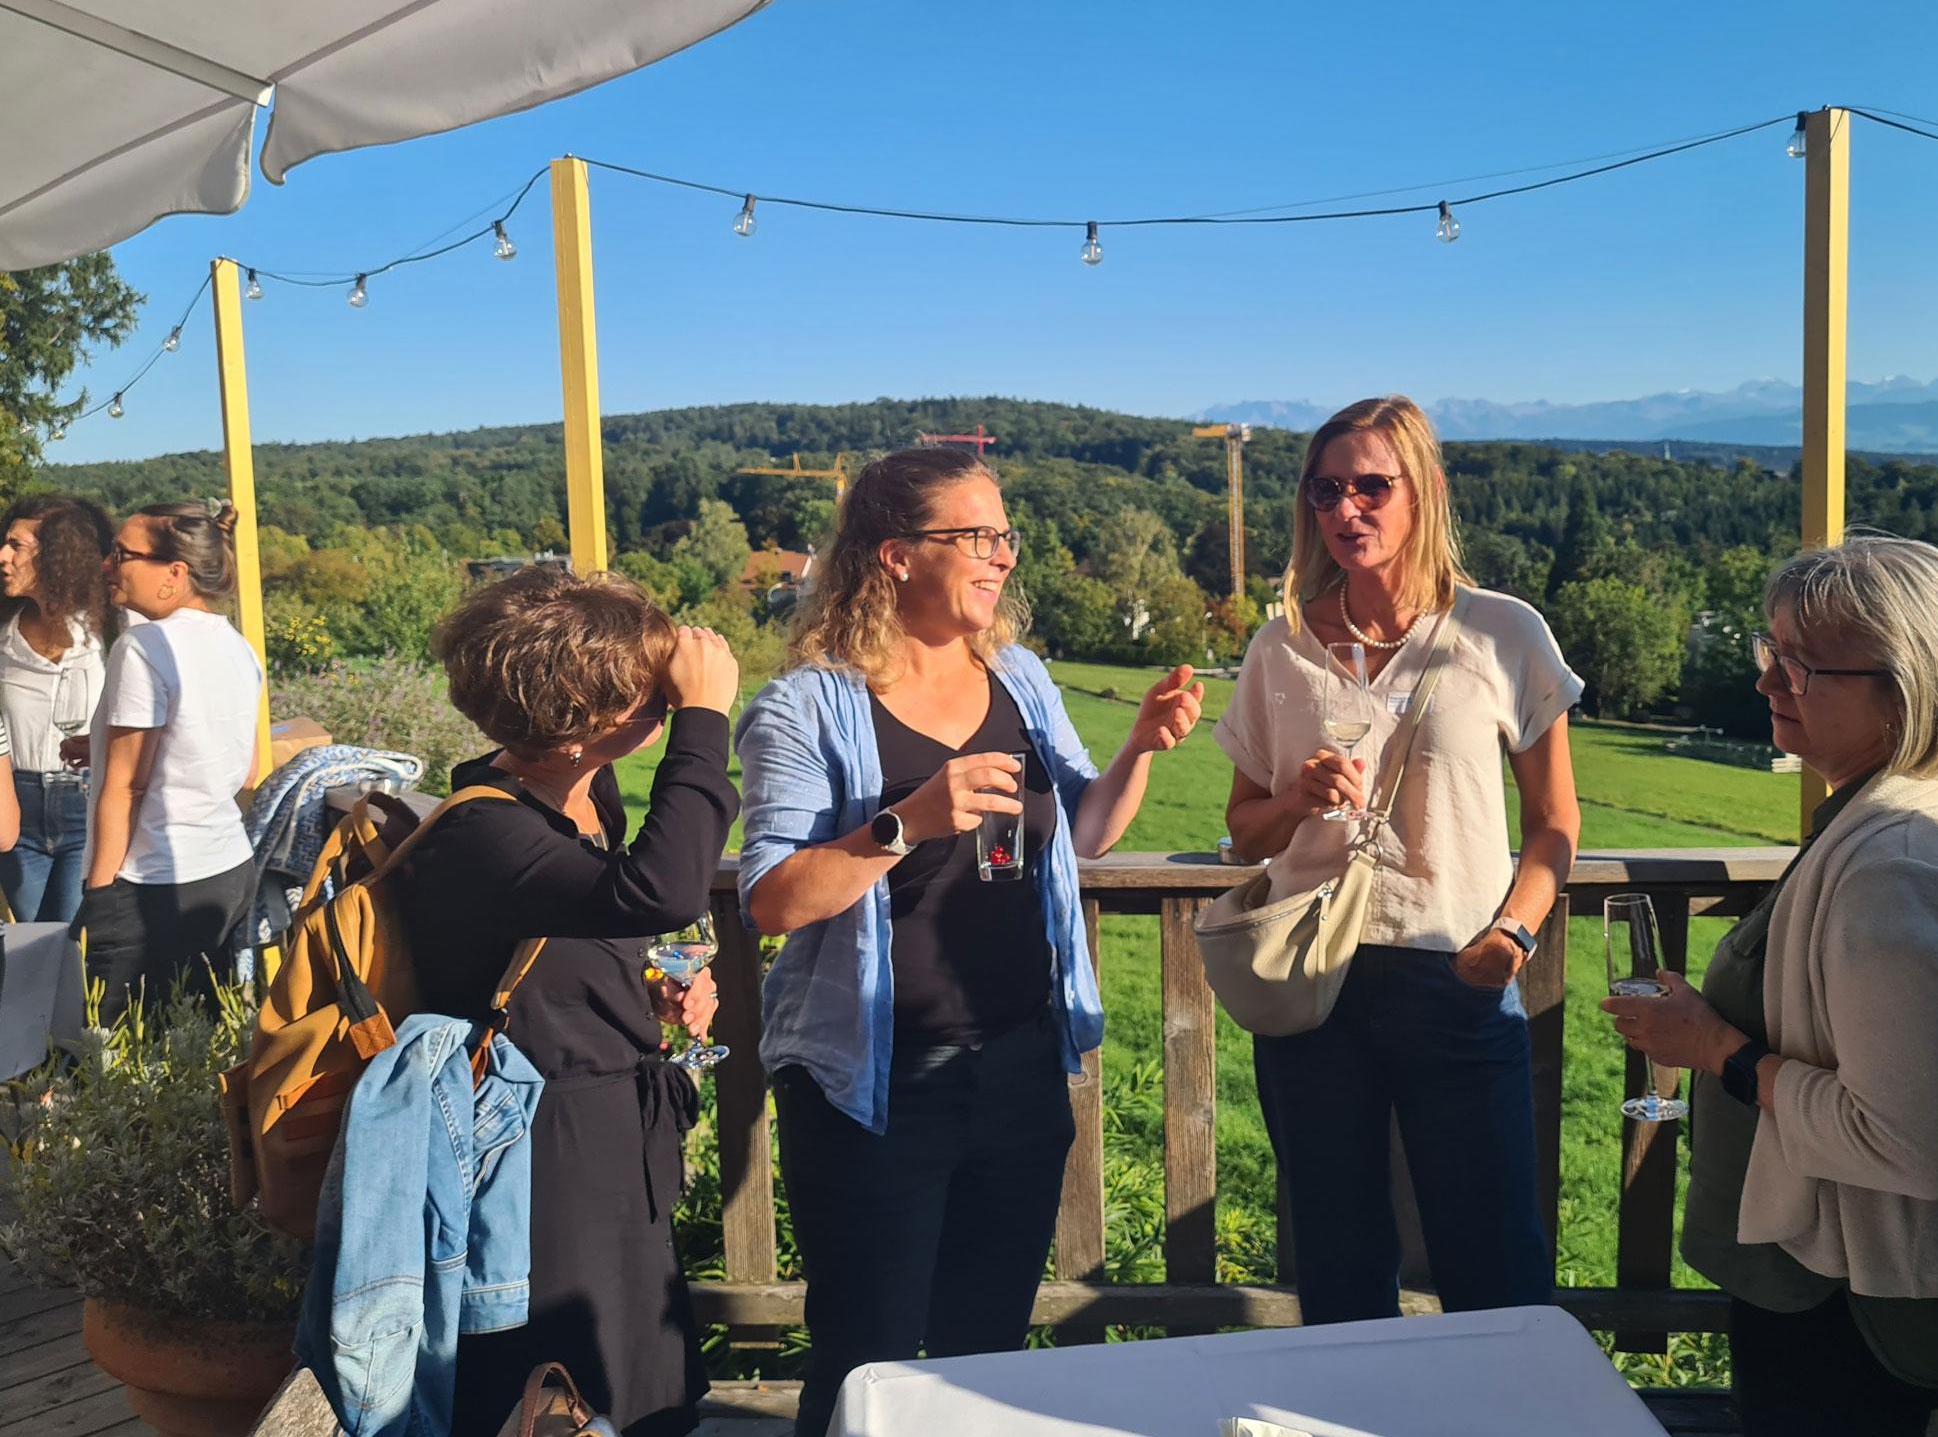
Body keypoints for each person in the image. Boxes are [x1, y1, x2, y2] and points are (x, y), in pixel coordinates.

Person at [736, 445, 1203, 1437]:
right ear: (897, 554)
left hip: (1020, 1068)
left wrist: (1141, 752)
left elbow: (1077, 833)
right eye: (977, 536)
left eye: (1005, 536)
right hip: (877, 1090)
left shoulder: (1020, 679)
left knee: (983, 1356)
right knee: (866, 1357)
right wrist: (905, 819)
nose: (1002, 557)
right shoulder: (807, 706)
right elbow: (773, 898)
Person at [1604, 536, 1938, 1437]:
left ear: (1909, 687)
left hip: (1851, 1303)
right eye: (1770, 654)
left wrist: (1715, 1052)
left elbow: (1905, 1145)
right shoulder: (1937, 813)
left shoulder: (1900, 866)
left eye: (1801, 668)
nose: (1769, 684)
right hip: (1880, 1285)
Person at [1216, 395, 1582, 1322]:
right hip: (1313, 984)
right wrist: (1296, 799)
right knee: (1337, 1258)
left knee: (1494, 1254)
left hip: (1455, 971)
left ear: (1424, 493)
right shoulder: (1283, 646)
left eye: (1373, 486)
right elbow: (1244, 831)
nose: (1347, 510)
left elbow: (1554, 823)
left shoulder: (1502, 635)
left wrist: (1512, 936)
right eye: (1326, 489)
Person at [397, 566, 740, 1437]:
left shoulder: (582, 798)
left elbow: (609, 918)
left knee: (639, 1384)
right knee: (563, 1397)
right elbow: (659, 890)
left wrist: (659, 980)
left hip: (610, 1139)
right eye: (652, 697)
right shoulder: (487, 831)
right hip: (540, 1165)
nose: (664, 704)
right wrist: (704, 723)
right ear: (587, 723)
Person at [79, 501, 261, 1022]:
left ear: (174, 574)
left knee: (105, 1057)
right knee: (194, 1044)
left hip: (150, 884)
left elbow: (127, 788)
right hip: (226, 869)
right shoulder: (236, 646)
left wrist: (99, 897)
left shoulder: (143, 645)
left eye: (122, 554)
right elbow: (243, 768)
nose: (106, 565)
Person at [0, 494, 116, 926]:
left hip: (86, 801)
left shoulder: (105, 629)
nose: (3, 555)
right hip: (17, 806)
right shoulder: (4, 634)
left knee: (72, 945)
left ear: (56, 555)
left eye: (17, 545)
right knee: (35, 941)